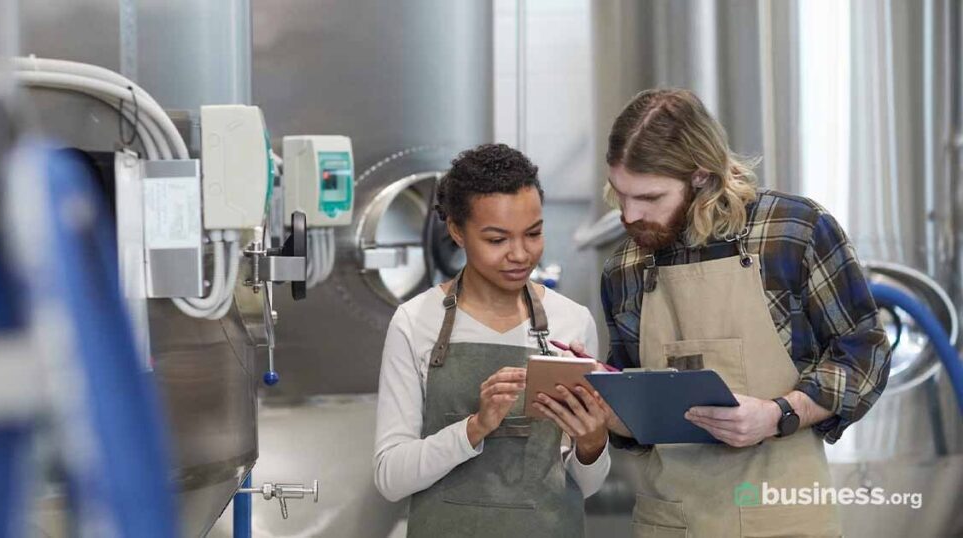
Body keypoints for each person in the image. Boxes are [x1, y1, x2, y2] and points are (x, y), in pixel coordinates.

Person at [586, 88, 891, 537]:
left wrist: (778, 413)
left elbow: (865, 356)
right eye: (620, 193)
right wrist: (603, 402)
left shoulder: (793, 231)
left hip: (782, 518)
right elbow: (637, 420)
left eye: (649, 198)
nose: (630, 215)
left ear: (701, 177)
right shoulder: (625, 268)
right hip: (670, 522)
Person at [373, 143, 611, 537]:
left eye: (533, 233)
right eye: (497, 240)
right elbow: (390, 477)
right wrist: (474, 427)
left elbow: (586, 486)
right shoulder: (415, 322)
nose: (520, 254)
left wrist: (593, 442)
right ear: (456, 231)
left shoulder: (572, 322)